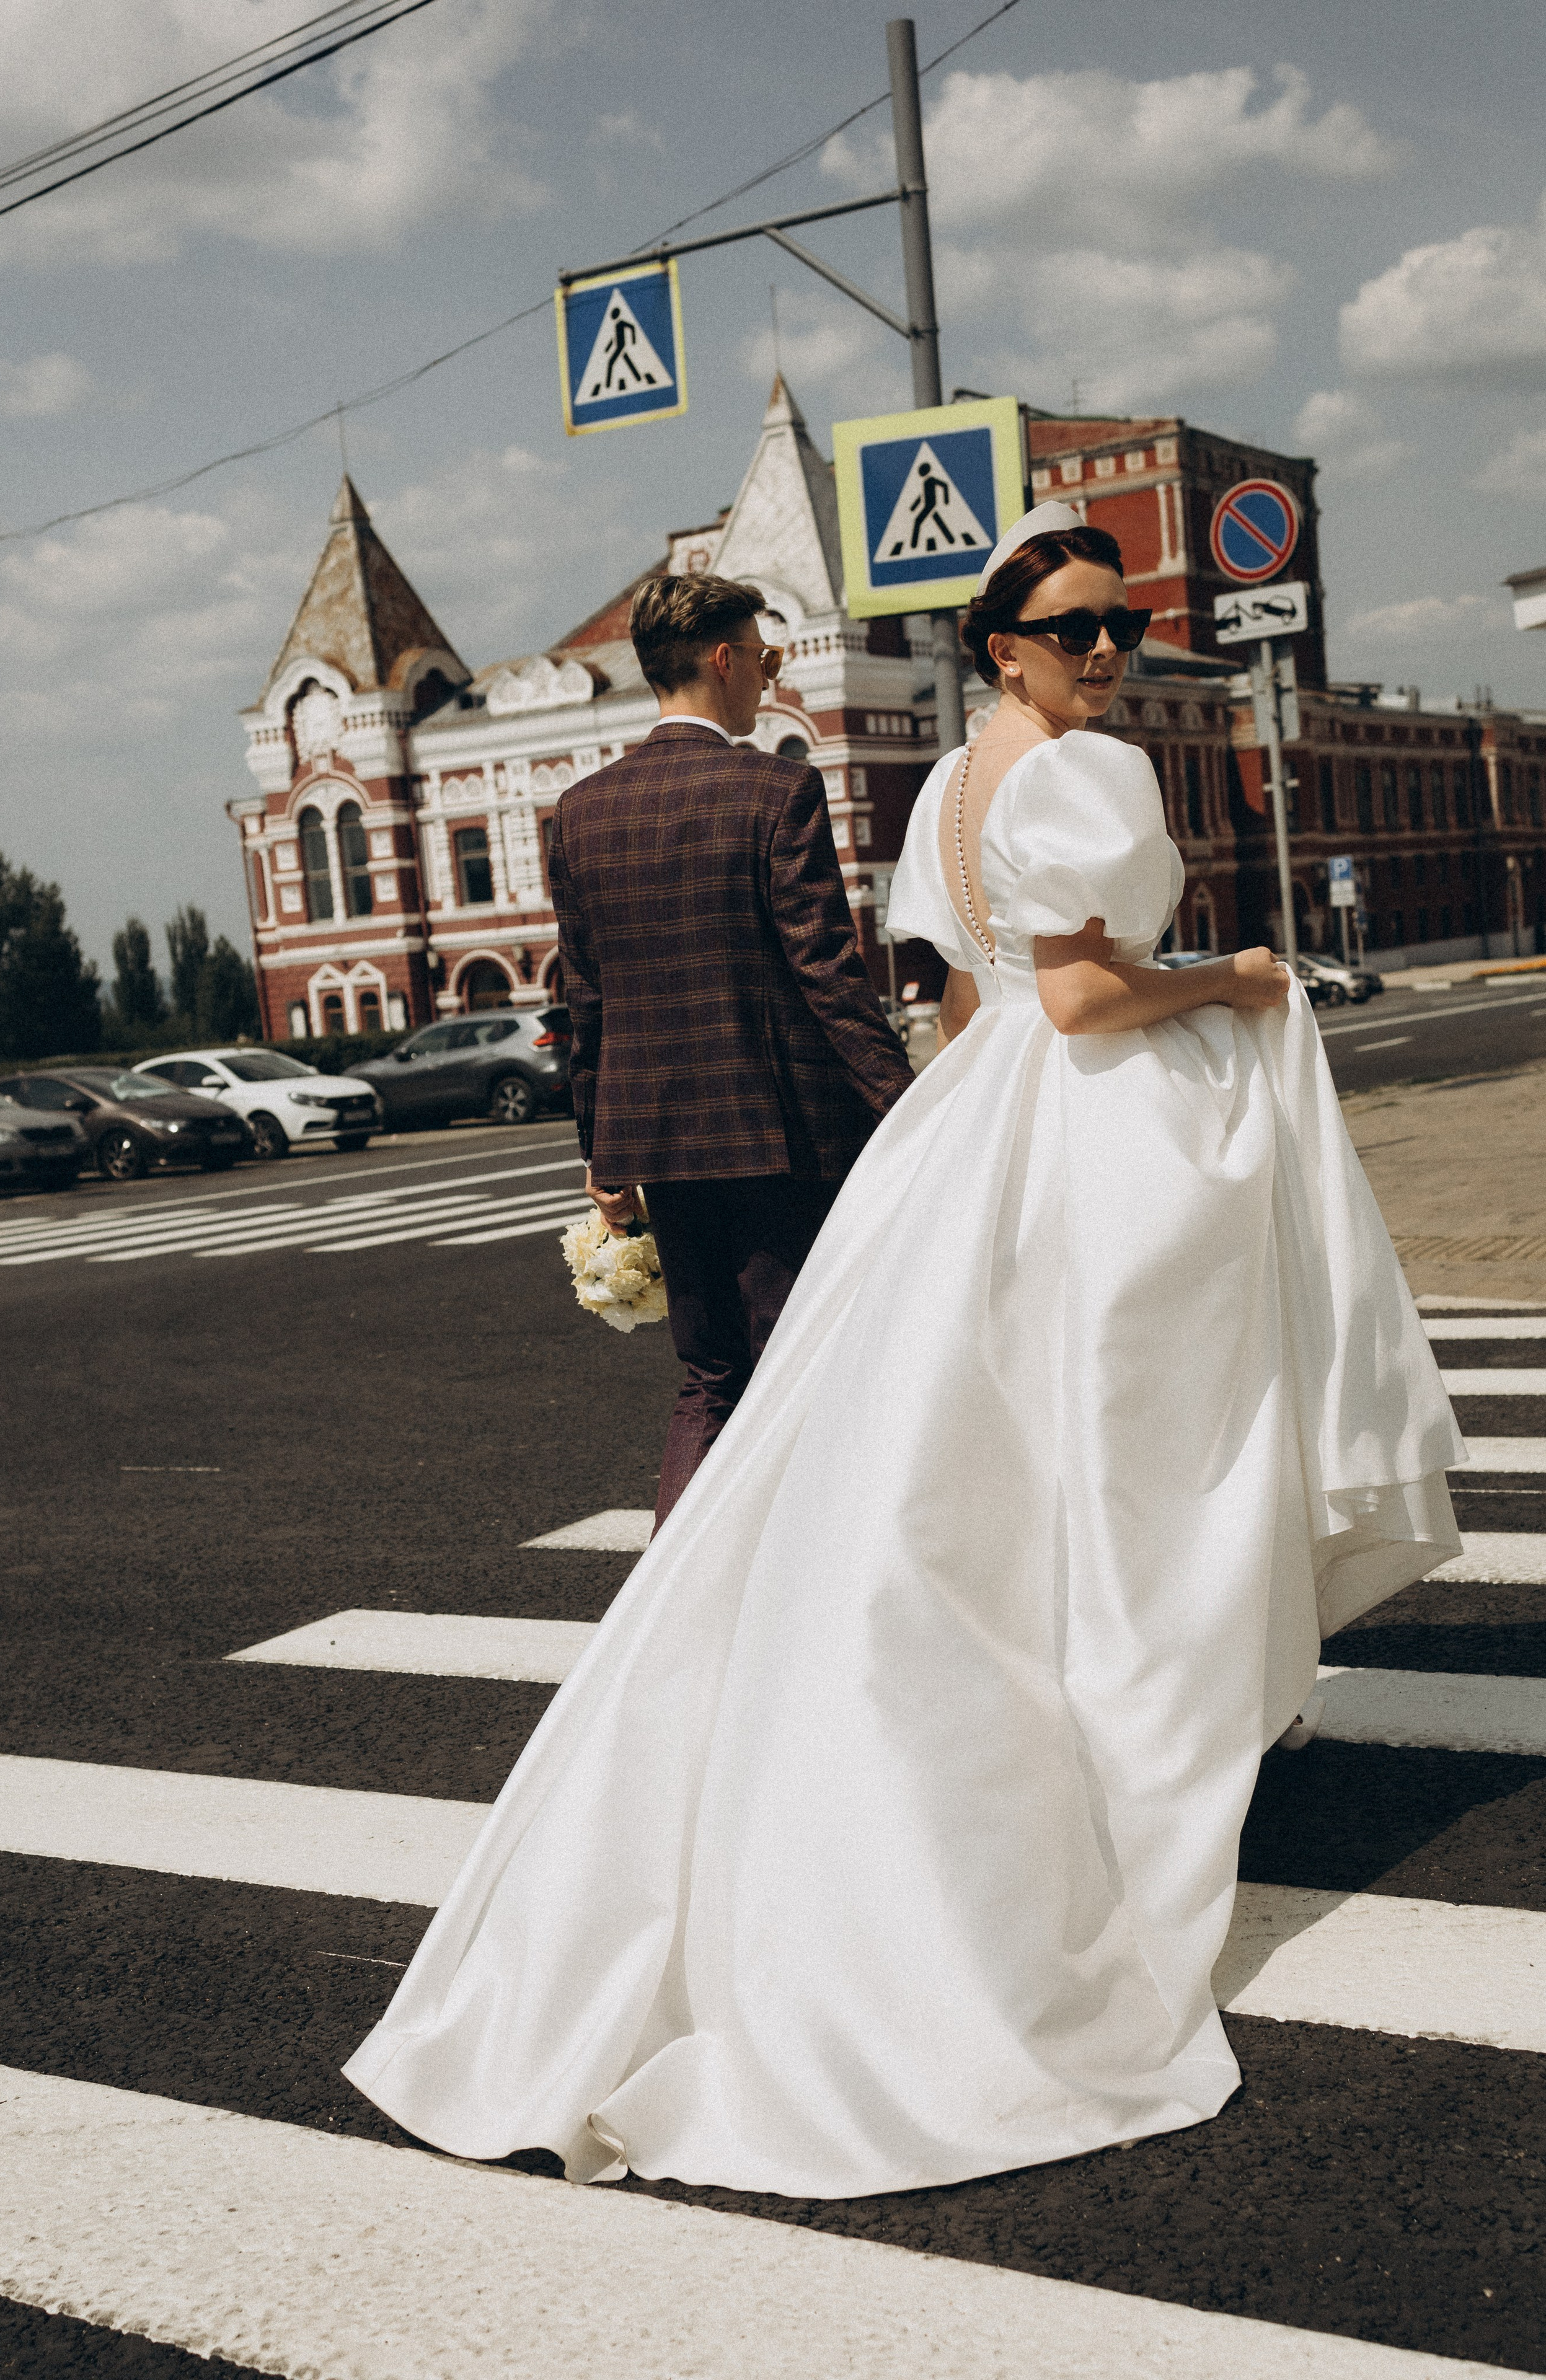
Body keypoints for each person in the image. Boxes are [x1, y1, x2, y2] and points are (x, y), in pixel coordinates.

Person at [345, 505, 1462, 2200]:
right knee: (1140, 1448)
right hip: (1096, 1128)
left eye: (1127, 630)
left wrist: (903, 1151)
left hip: (967, 1123)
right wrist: (1235, 978)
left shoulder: (940, 785)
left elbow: (953, 1001)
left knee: (943, 1454)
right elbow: (1075, 1004)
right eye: (1078, 628)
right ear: (1003, 640)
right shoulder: (1085, 774)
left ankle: (1023, 1703)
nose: (1111, 655)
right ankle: (1138, 1731)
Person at [545, 572, 913, 1529]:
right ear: (723, 660)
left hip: (660, 1146)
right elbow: (829, 976)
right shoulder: (776, 792)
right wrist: (909, 1109)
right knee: (803, 1371)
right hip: (781, 1141)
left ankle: (677, 1611)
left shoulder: (581, 814)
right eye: (766, 656)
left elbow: (584, 1002)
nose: (769, 675)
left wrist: (602, 1154)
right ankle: (802, 1596)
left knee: (709, 1379)